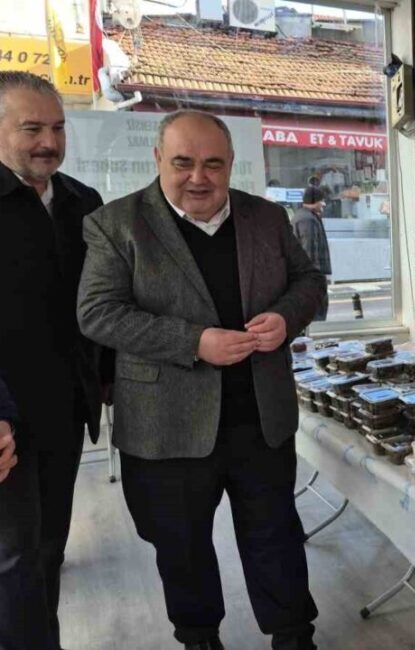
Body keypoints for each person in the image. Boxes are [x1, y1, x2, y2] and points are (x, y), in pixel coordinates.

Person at [77, 110, 326, 650]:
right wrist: (194, 342)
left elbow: (309, 282)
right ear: (158, 160)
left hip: (260, 417)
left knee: (275, 536)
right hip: (168, 423)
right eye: (183, 162)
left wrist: (286, 317)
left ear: (231, 164)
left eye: (213, 164)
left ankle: (292, 634)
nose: (199, 177)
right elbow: (97, 312)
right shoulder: (117, 224)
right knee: (182, 545)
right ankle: (198, 637)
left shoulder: (266, 218)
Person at [0, 71, 110, 650]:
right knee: (13, 563)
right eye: (32, 127)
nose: (49, 140)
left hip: (66, 413)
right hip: (6, 423)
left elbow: (100, 309)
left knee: (47, 553)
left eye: (58, 127)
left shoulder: (81, 202)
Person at [290, 186, 332, 321]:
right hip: (311, 279)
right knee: (317, 313)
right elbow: (309, 251)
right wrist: (316, 278)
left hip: (307, 277)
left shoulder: (304, 216)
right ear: (315, 201)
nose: (324, 204)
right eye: (322, 200)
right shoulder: (307, 220)